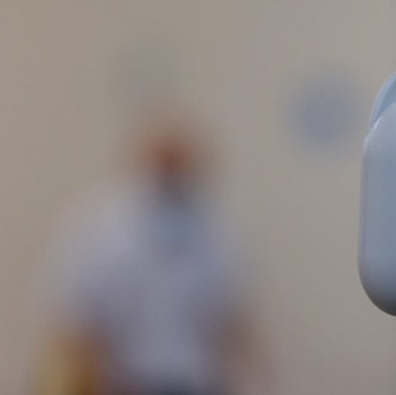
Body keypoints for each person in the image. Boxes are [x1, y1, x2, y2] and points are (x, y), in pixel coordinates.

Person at [37, 115, 265, 395]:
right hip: (121, 382)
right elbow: (70, 320)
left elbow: (232, 319)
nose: (172, 178)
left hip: (195, 380)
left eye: (181, 168)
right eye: (164, 167)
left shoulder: (216, 232)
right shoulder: (98, 230)